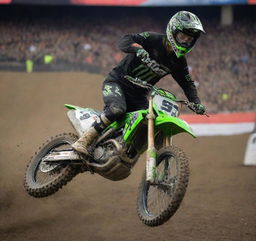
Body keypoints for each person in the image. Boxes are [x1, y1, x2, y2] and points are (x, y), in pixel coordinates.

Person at [72, 10, 206, 155]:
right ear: (172, 31)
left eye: (189, 39)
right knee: (117, 109)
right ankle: (83, 141)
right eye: (183, 36)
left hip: (138, 95)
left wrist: (196, 102)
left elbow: (187, 84)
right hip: (118, 83)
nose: (186, 41)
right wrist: (138, 49)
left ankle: (126, 153)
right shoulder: (152, 39)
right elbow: (125, 40)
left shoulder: (178, 62)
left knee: (150, 122)